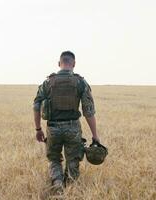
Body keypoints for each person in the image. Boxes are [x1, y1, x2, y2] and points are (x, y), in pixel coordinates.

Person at [33, 51, 100, 190]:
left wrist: (38, 129)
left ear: (59, 63)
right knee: (73, 160)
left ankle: (57, 184)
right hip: (73, 128)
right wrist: (95, 135)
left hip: (52, 128)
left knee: (54, 159)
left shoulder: (48, 82)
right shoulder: (80, 82)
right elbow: (89, 111)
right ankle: (70, 188)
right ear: (74, 64)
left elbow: (36, 105)